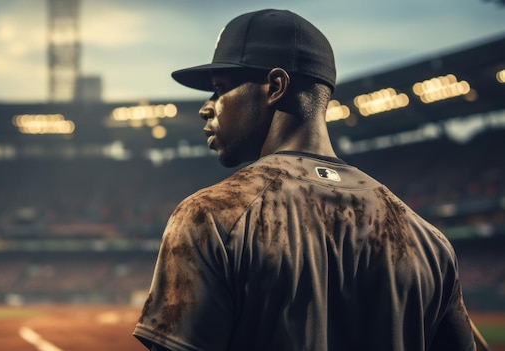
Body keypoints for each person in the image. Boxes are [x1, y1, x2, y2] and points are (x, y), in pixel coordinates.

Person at [133, 9, 478, 351]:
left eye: (220, 89)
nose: (206, 107)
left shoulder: (210, 216)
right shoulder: (428, 242)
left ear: (275, 87)